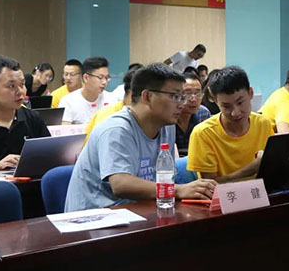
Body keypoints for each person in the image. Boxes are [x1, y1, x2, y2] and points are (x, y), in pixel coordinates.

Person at [64, 63, 217, 212]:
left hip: (138, 210)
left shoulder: (167, 126)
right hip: (95, 217)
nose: (181, 104)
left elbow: (165, 175)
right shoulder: (117, 129)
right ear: (147, 96)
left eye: (182, 97)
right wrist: (178, 190)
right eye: (175, 96)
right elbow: (120, 184)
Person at [187, 66, 273, 182]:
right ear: (216, 101)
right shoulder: (204, 134)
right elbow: (209, 186)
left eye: (240, 102)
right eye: (226, 106)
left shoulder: (263, 124)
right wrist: (249, 170)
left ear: (250, 93)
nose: (235, 113)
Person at [0, 56, 50, 172]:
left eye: (22, 84)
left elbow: (50, 157)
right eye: (11, 86)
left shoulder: (33, 119)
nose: (20, 91)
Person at [83, 66, 140, 143]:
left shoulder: (136, 115)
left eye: (107, 78)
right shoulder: (108, 116)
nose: (104, 82)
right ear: (133, 95)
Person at [59, 56, 116, 125]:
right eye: (100, 77)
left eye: (107, 78)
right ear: (86, 78)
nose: (104, 82)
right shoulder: (68, 101)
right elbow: (65, 130)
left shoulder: (112, 100)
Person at [175, 72, 210, 157]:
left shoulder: (203, 113)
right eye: (187, 94)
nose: (193, 99)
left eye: (198, 94)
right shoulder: (167, 116)